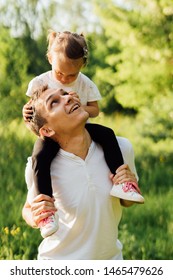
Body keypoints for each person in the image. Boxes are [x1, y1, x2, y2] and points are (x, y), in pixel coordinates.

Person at [23, 30, 144, 238]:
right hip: (50, 138)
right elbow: (33, 117)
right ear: (50, 59)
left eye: (72, 76)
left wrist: (80, 108)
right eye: (61, 74)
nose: (66, 80)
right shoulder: (39, 83)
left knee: (107, 134)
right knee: (40, 156)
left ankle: (123, 182)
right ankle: (47, 213)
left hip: (109, 257)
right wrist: (26, 113)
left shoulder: (85, 84)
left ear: (81, 67)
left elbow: (94, 110)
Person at [22, 86, 142, 260]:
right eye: (54, 102)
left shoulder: (121, 148)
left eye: (64, 93)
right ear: (47, 131)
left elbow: (126, 203)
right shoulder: (41, 168)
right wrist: (34, 217)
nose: (68, 98)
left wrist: (129, 183)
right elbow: (27, 208)